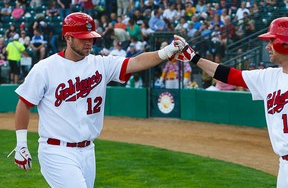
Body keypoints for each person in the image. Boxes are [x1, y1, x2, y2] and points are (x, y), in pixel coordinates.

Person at [9, 12, 186, 188]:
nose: (89, 43)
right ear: (68, 38)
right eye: (83, 38)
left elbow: (136, 62)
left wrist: (165, 52)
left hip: (88, 150)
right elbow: (24, 103)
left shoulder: (101, 64)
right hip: (56, 150)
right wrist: (22, 144)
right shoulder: (45, 68)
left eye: (91, 38)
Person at [171, 17, 288, 188]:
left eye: (271, 40)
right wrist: (194, 57)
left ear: (284, 43)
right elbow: (229, 75)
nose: (267, 46)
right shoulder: (269, 77)